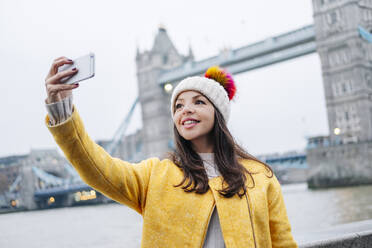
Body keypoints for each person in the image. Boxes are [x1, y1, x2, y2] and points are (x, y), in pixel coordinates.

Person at [44, 56, 298, 248]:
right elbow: (96, 167)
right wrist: (62, 108)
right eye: (178, 106)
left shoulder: (260, 177)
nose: (185, 110)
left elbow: (283, 243)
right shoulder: (155, 176)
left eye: (198, 102)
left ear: (218, 115)